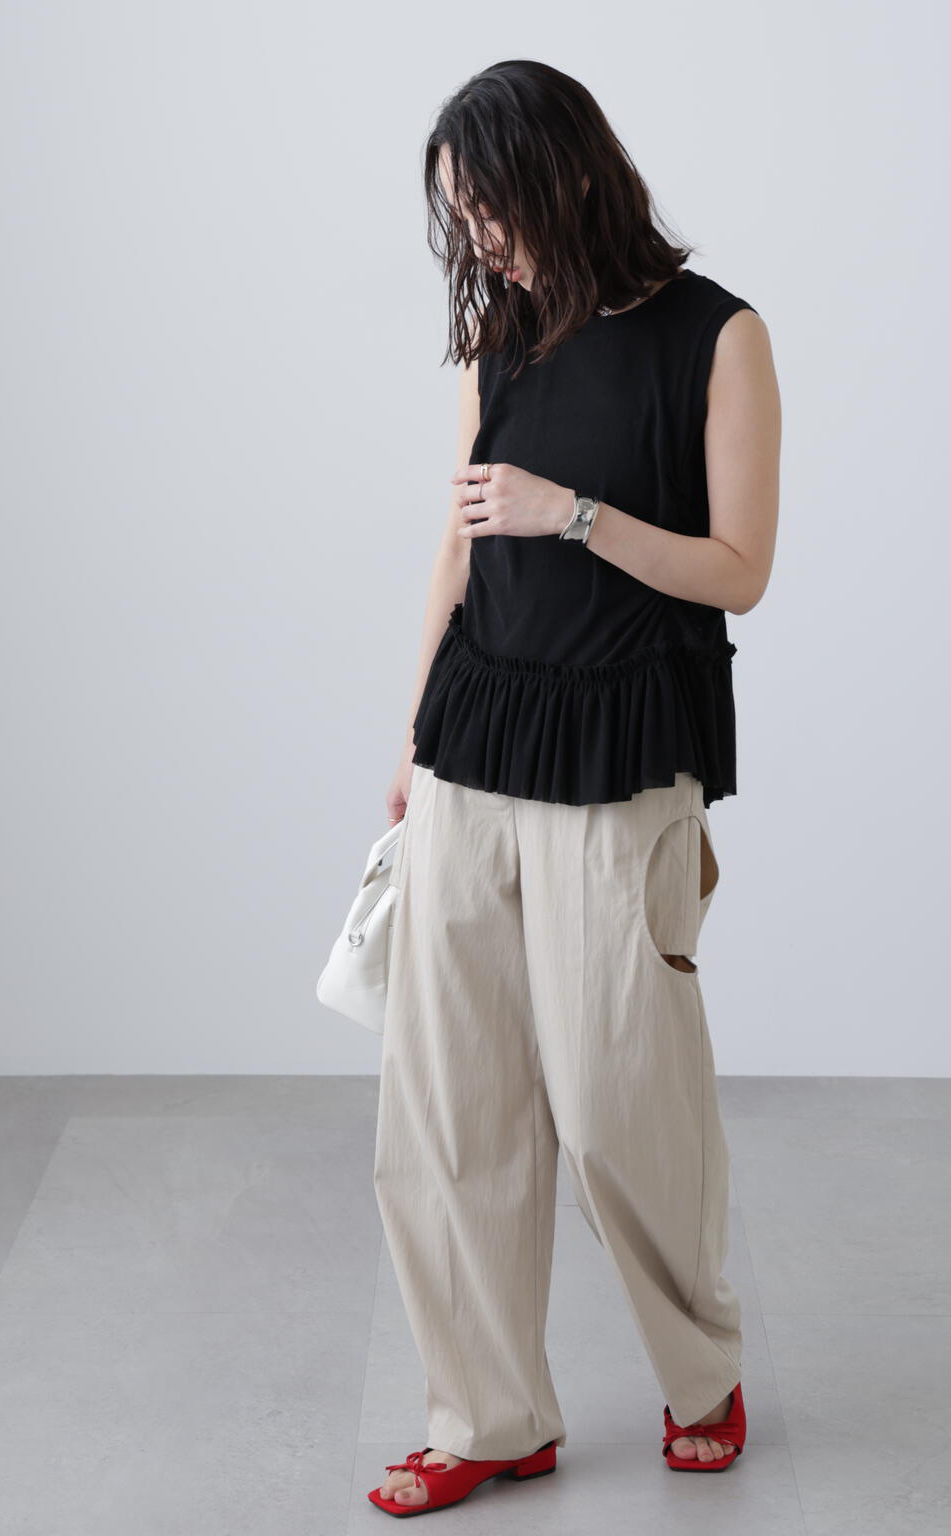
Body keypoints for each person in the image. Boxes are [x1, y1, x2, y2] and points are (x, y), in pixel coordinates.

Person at [368, 59, 781, 1517]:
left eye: (491, 206)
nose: (479, 239)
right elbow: (459, 543)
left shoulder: (717, 335)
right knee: (450, 1106)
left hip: (623, 754)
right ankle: (489, 1418)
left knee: (619, 1102)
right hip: (475, 741)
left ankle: (702, 1372)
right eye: (459, 215)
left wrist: (576, 516)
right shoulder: (501, 340)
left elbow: (741, 571)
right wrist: (412, 737)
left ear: (566, 176)